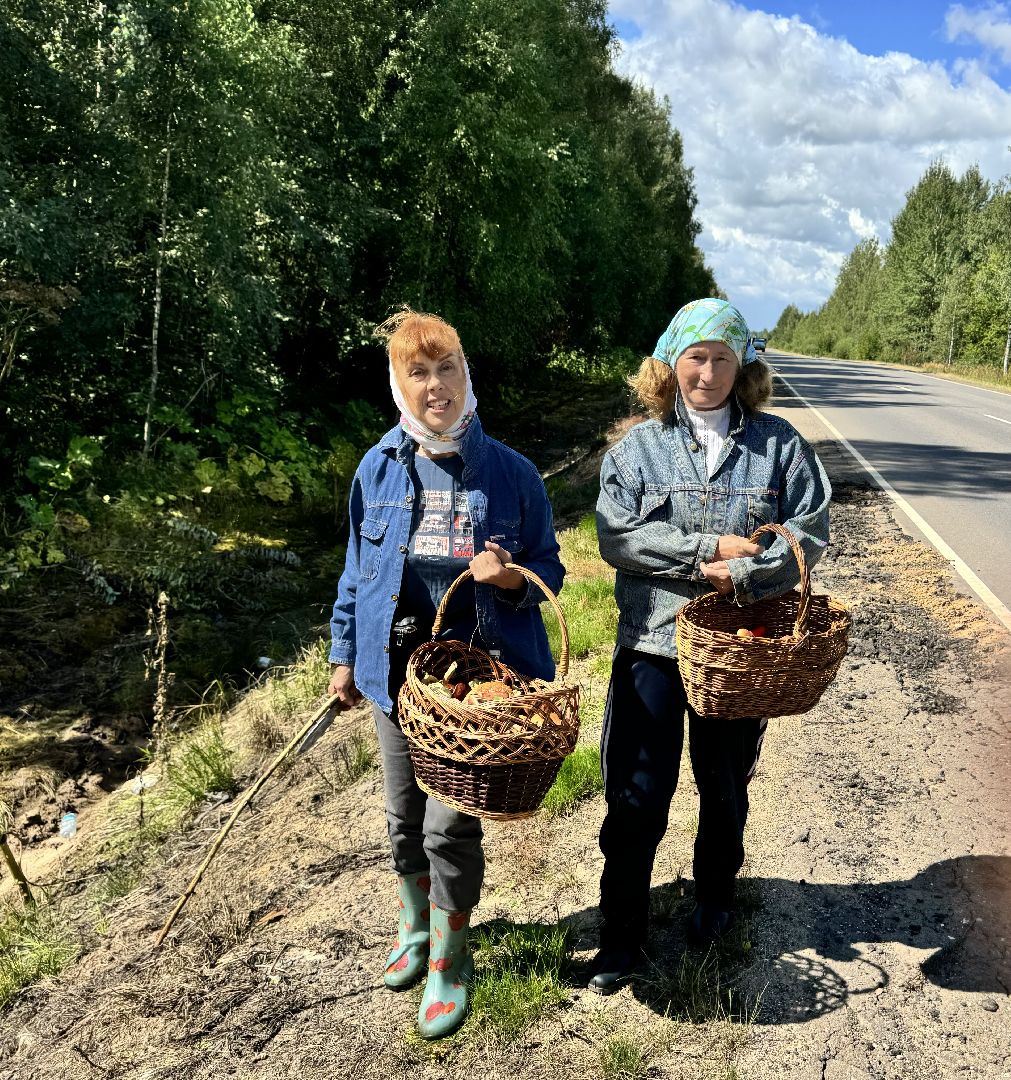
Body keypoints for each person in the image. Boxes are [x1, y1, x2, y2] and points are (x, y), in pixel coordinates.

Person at [327, 309, 564, 1036]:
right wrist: (343, 653)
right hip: (395, 675)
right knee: (402, 818)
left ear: (468, 375)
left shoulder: (513, 474)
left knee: (445, 826)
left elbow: (549, 567)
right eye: (418, 373)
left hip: (478, 688)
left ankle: (449, 960)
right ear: (399, 384)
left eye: (447, 369)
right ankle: (413, 927)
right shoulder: (377, 467)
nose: (436, 387)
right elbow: (356, 573)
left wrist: (506, 579)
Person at [587, 297, 831, 994]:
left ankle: (715, 898)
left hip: (740, 655)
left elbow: (810, 530)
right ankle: (620, 935)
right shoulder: (636, 449)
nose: (707, 373)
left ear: (742, 366)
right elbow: (616, 536)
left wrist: (750, 572)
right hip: (653, 648)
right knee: (635, 794)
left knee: (723, 788)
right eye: (695, 357)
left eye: (723, 358)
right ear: (670, 364)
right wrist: (701, 555)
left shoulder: (780, 445)